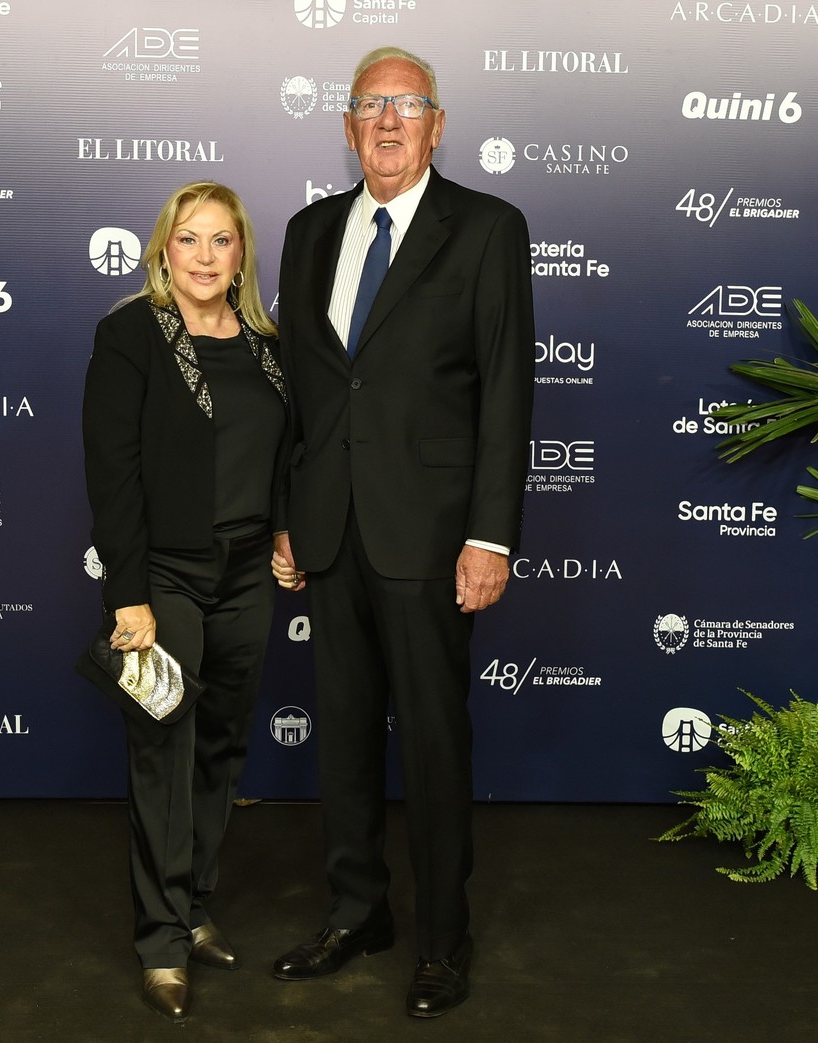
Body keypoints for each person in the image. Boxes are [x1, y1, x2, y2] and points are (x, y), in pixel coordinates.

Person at [268, 46, 534, 1018]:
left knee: (430, 742)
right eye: (370, 105)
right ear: (346, 127)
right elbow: (299, 392)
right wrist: (288, 517)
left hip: (429, 535)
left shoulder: (487, 228)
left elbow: (505, 387)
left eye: (406, 104)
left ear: (436, 124)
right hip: (330, 529)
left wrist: (490, 535)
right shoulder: (307, 231)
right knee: (341, 737)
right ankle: (356, 913)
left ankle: (441, 939)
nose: (387, 121)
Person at [81, 181, 287, 1024]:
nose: (205, 256)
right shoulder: (130, 334)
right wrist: (128, 595)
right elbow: (113, 473)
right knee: (164, 755)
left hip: (246, 574)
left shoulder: (268, 346)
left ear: (241, 254)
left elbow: (286, 455)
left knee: (220, 751)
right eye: (189, 239)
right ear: (163, 249)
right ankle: (161, 941)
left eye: (221, 240)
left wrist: (285, 533)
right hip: (165, 575)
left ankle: (194, 904)